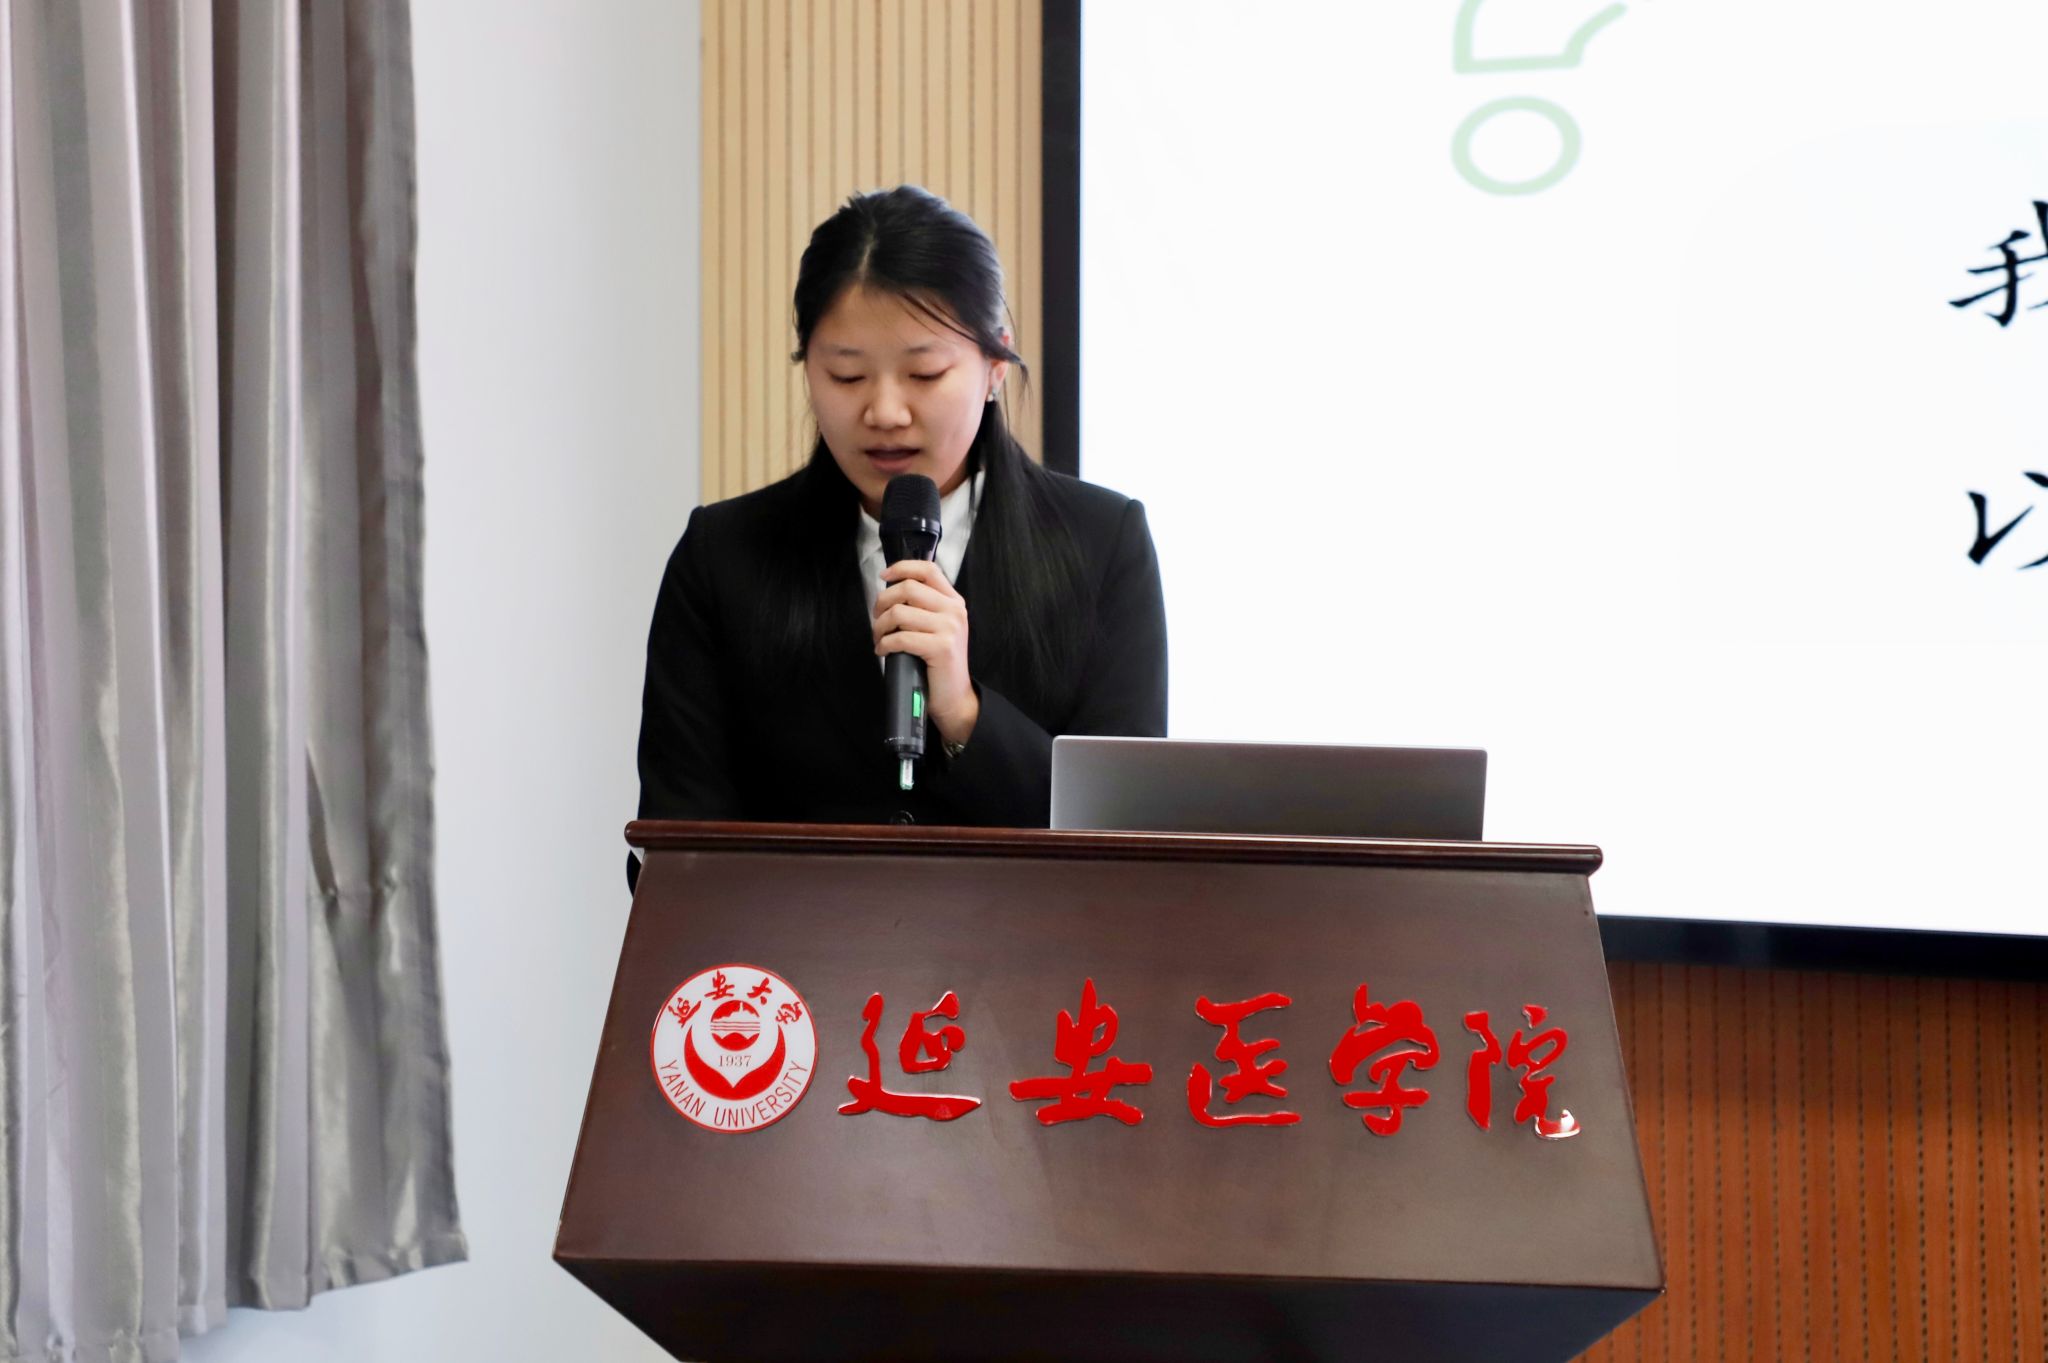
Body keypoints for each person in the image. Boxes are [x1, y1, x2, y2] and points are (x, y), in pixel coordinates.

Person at [632, 186, 1165, 874]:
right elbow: (675, 851)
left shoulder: (1104, 546)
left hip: (1032, 947)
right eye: (847, 375)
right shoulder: (723, 557)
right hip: (798, 943)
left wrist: (967, 715)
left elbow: (1129, 848)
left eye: (924, 372)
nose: (885, 412)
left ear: (995, 365)